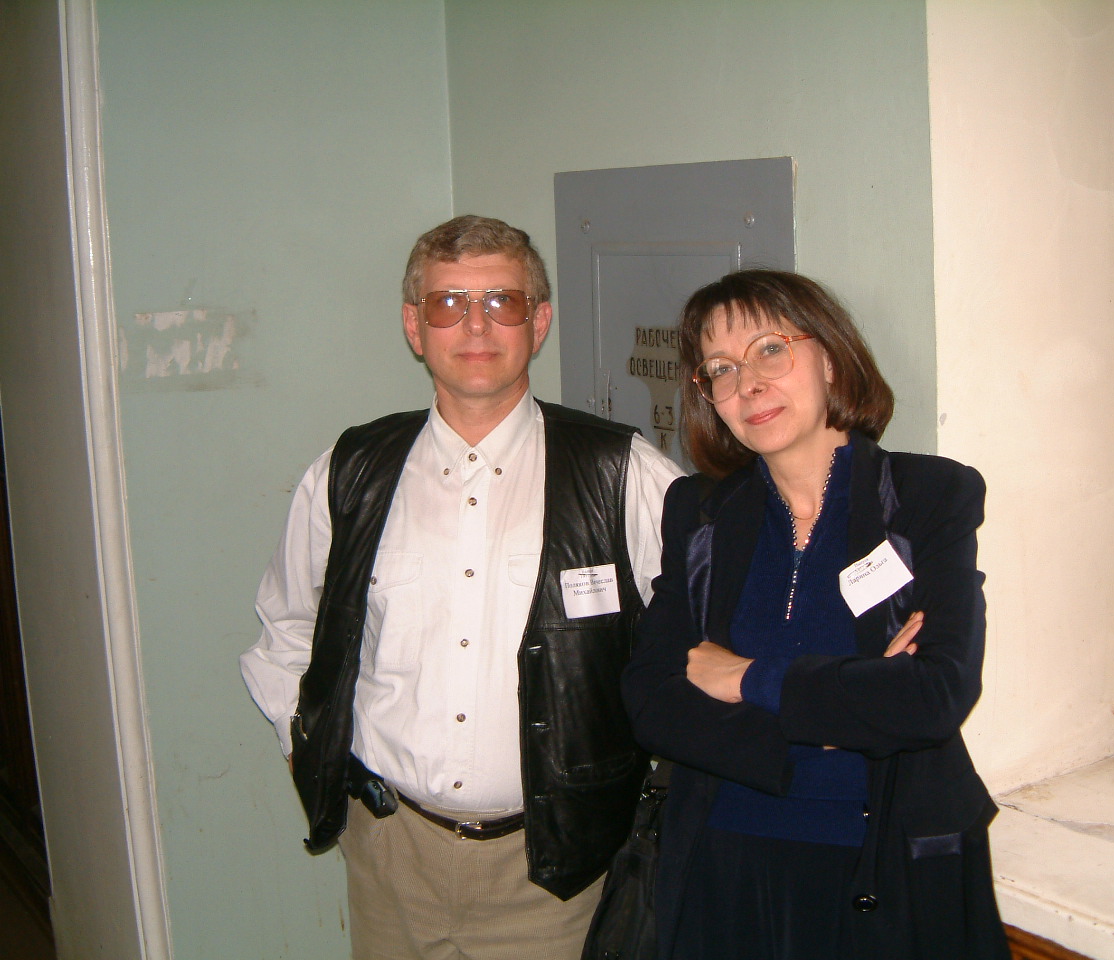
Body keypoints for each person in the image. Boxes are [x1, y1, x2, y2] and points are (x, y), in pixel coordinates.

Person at [240, 215, 683, 960]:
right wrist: (308, 750)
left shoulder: (623, 475)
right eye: (447, 304)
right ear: (414, 327)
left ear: (539, 322)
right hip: (390, 858)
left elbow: (700, 639)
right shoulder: (350, 473)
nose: (476, 325)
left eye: (502, 301)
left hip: (557, 873)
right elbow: (287, 629)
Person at [621, 270, 1010, 960]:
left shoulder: (926, 497)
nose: (748, 384)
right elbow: (651, 698)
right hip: (723, 865)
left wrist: (746, 679)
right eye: (721, 369)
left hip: (883, 866)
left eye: (771, 350)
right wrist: (840, 711)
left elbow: (933, 695)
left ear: (829, 357)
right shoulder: (700, 513)